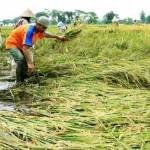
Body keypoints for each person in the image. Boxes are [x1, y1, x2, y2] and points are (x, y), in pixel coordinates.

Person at [5, 16, 66, 83]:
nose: (44, 30)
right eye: (43, 27)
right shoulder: (30, 31)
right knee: (20, 59)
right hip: (12, 43)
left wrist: (57, 37)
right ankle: (19, 81)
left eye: (45, 28)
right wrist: (30, 64)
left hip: (21, 44)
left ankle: (25, 77)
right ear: (38, 24)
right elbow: (25, 48)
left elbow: (46, 34)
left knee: (26, 62)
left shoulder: (39, 30)